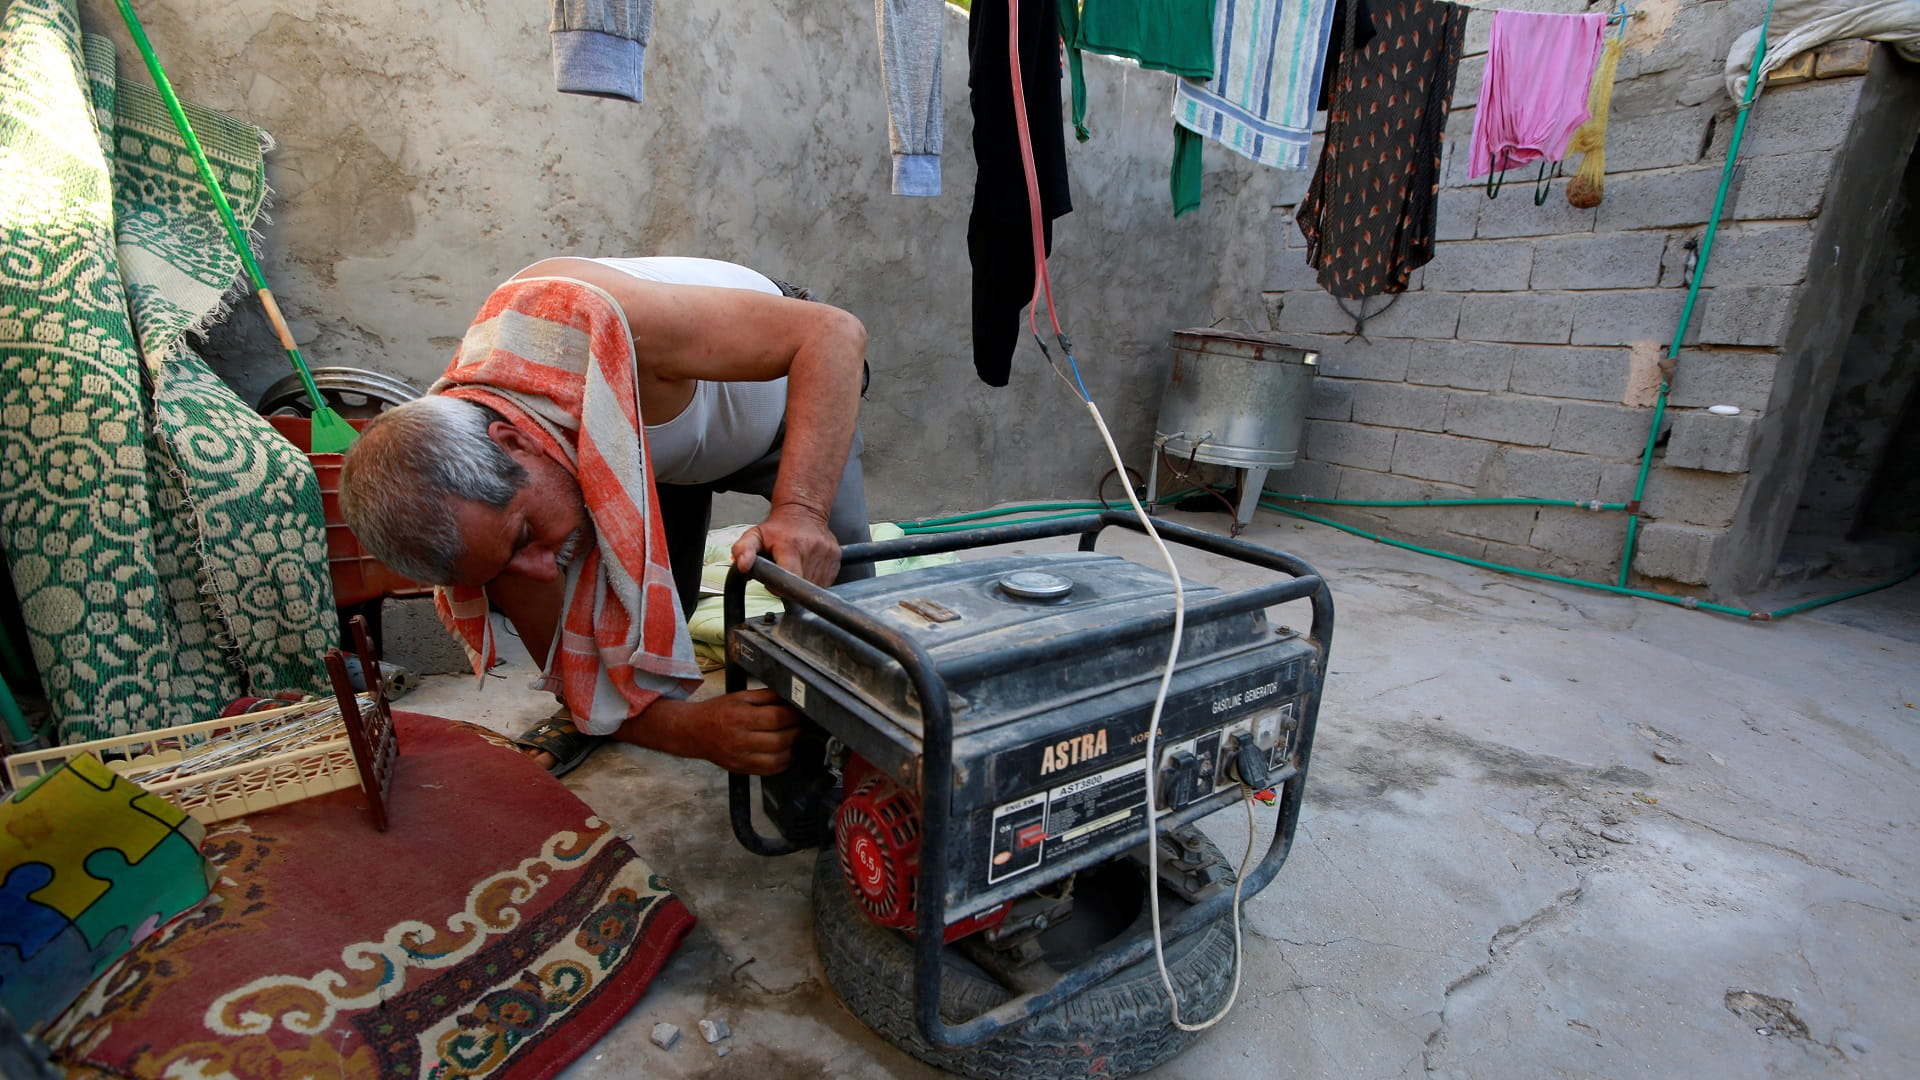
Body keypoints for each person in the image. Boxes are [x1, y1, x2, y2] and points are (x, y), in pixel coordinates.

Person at [340, 256, 872, 777]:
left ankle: (863, 775)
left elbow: (832, 336)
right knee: (654, 621)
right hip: (658, 457)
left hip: (783, 400)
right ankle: (603, 722)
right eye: (510, 562)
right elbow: (571, 667)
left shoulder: (613, 324)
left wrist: (802, 509)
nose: (543, 571)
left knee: (841, 601)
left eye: (527, 537)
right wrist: (692, 731)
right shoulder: (490, 526)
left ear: (514, 443)